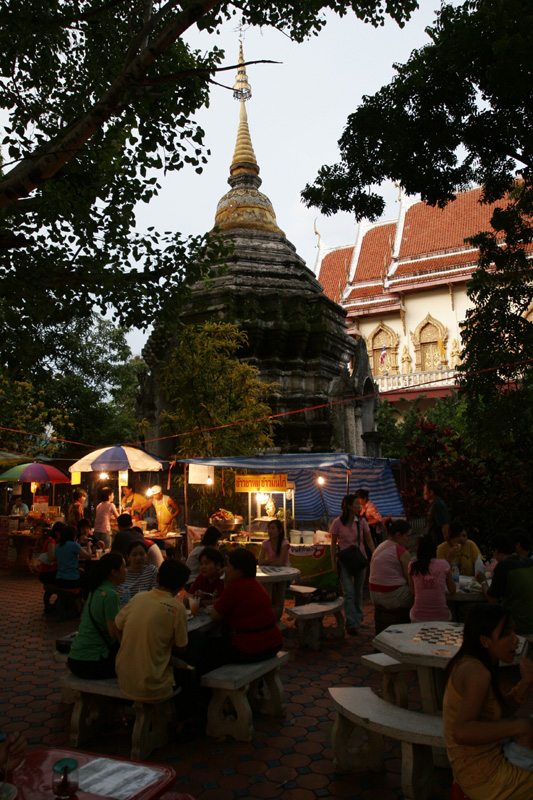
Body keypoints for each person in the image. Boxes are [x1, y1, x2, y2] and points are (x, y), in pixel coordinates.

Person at [443, 603, 533, 799]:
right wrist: (518, 727)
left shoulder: (474, 663)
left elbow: (498, 711)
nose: (515, 640)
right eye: (506, 634)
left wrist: (525, 684)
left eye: (514, 632)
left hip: (476, 770)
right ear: (485, 641)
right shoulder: (477, 674)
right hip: (484, 779)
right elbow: (462, 731)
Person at [114, 560, 190, 701]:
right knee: (190, 667)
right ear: (181, 586)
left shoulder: (138, 597)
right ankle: (184, 715)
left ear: (157, 578)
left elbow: (117, 625)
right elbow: (181, 647)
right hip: (153, 686)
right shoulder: (177, 608)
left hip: (124, 678)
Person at [211, 548, 282, 663]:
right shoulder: (255, 584)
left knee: (208, 649)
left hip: (251, 647)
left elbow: (215, 616)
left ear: (239, 570)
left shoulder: (235, 588)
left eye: (228, 566)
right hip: (273, 643)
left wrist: (226, 584)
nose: (225, 570)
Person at [67, 552, 126, 679]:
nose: (126, 571)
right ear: (114, 572)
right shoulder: (110, 595)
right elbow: (113, 632)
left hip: (75, 658)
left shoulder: (97, 589)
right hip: (92, 662)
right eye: (123, 567)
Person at [330, 493, 375, 635]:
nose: (359, 506)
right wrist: (333, 562)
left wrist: (375, 556)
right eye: (356, 503)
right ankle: (351, 622)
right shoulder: (337, 522)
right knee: (348, 592)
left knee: (358, 592)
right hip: (344, 561)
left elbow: (368, 539)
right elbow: (332, 544)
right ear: (349, 506)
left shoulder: (361, 522)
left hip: (360, 560)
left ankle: (358, 617)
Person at [475, 532, 533, 635]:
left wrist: (483, 581)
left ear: (496, 551)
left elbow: (492, 599)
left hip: (518, 624)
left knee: (467, 610)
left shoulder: (503, 566)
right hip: (528, 620)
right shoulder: (529, 561)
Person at [408, 533, 455, 621]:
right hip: (442, 617)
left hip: (417, 616)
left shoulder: (412, 566)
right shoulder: (444, 564)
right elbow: (452, 590)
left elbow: (412, 591)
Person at [369, 518, 413, 613]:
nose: (409, 539)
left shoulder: (381, 546)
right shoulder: (402, 552)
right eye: (407, 536)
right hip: (391, 595)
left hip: (374, 594)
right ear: (398, 535)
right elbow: (410, 580)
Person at [117, 540, 158, 605]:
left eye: (141, 554)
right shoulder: (121, 574)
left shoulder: (151, 571)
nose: (138, 558)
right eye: (134, 555)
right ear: (128, 557)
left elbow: (155, 595)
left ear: (146, 556)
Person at [55, 524, 92, 589]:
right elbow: (88, 556)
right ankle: (82, 597)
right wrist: (88, 545)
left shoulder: (58, 546)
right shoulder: (73, 544)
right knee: (88, 580)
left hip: (59, 579)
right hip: (72, 579)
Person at [39, 521, 64, 615]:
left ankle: (52, 606)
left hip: (48, 572)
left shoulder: (54, 541)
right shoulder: (51, 541)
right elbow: (51, 558)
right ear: (57, 532)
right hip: (47, 573)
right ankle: (52, 607)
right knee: (64, 582)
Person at [424, 479, 450, 545]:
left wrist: (447, 545)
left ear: (431, 492)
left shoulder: (437, 505)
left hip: (438, 543)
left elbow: (445, 526)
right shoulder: (433, 505)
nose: (423, 493)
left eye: (425, 491)